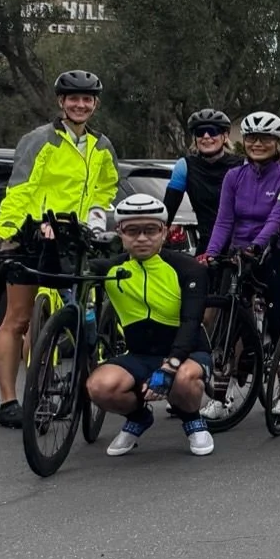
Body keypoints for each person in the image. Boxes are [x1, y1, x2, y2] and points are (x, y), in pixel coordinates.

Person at [0, 69, 120, 429]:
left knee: (75, 312)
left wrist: (95, 218)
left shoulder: (102, 145)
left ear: (94, 104)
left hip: (75, 238)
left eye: (86, 99)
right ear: (61, 102)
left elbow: (108, 189)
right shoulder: (39, 139)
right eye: (73, 98)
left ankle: (65, 380)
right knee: (18, 319)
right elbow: (20, 188)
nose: (80, 104)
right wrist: (5, 231)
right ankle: (11, 401)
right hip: (34, 234)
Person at [87, 194, 216, 457]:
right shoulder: (111, 269)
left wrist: (170, 365)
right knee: (98, 386)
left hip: (188, 352)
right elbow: (63, 272)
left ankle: (192, 419)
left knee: (183, 380)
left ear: (164, 232)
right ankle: (139, 417)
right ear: (119, 232)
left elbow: (192, 322)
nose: (142, 238)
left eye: (150, 230)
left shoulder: (188, 268)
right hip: (140, 355)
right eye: (132, 231)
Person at [200, 111, 280, 423]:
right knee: (227, 326)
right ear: (244, 142)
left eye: (265, 139)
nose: (258, 144)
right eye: (252, 138)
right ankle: (220, 396)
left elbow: (276, 219)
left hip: (273, 254)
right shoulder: (234, 177)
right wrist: (212, 253)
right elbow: (224, 220)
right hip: (237, 254)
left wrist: (256, 246)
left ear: (277, 142)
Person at [164, 108, 244, 250]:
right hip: (207, 245)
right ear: (195, 138)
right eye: (200, 132)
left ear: (225, 136)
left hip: (240, 245)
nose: (206, 136)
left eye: (212, 131)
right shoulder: (184, 166)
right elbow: (168, 211)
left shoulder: (242, 165)